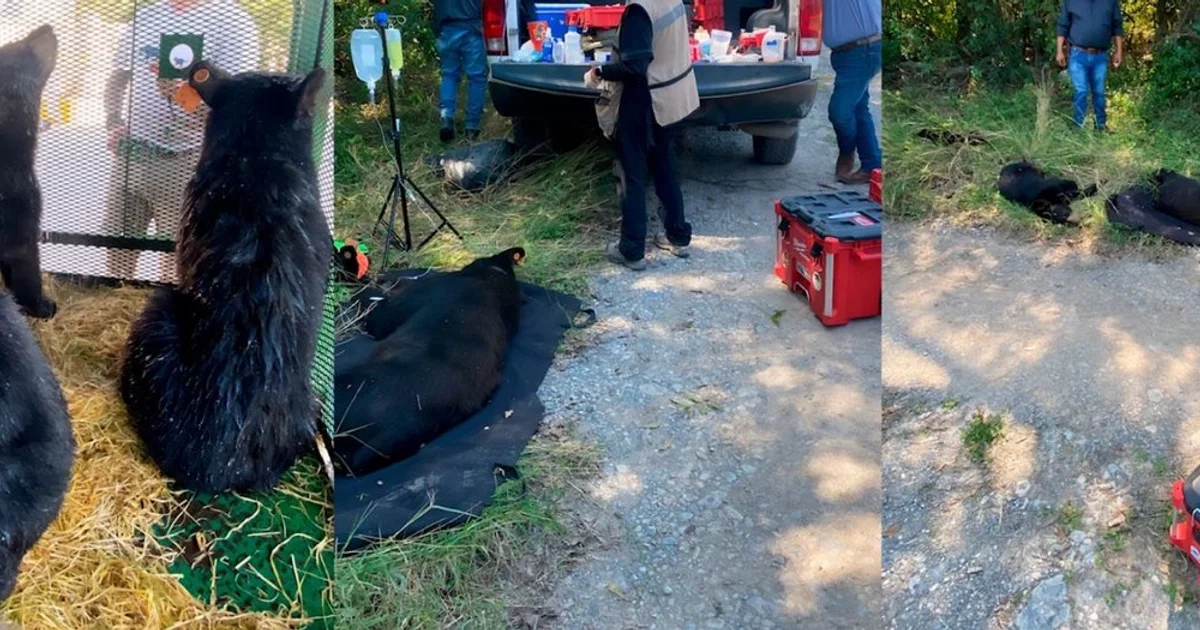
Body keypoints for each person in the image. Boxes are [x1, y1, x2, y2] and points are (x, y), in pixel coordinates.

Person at [102, 0, 260, 281]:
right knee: (117, 254)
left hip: (188, 161)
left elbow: (235, 106)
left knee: (177, 267)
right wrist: (113, 122)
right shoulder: (147, 15)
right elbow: (117, 78)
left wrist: (183, 96)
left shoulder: (234, 22)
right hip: (133, 154)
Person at [587, 0, 699, 271]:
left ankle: (632, 250)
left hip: (643, 100)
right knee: (664, 167)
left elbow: (635, 65)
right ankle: (678, 237)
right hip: (670, 96)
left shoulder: (640, 10)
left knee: (632, 175)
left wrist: (599, 71)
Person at [824, 0, 882, 186]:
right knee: (858, 107)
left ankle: (847, 151)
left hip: (862, 50)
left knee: (839, 111)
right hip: (848, 53)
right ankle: (872, 165)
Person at [1056, 0, 1124, 132]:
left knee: (1099, 92)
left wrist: (1119, 52)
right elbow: (1062, 26)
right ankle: (1078, 126)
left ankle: (1101, 126)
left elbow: (1117, 27)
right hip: (1078, 54)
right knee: (1080, 91)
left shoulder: (1110, 2)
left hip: (1100, 55)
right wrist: (1059, 51)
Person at [434, 0, 488, 142]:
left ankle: (447, 118)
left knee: (448, 75)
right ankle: (472, 127)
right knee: (476, 78)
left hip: (447, 28)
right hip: (472, 28)